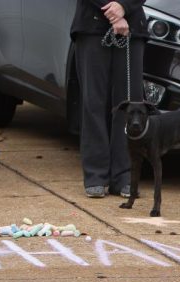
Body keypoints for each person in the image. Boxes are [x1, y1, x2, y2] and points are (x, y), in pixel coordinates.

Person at [71, 1, 146, 198]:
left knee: (130, 105)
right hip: (91, 26)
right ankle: (96, 175)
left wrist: (124, 7)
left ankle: (125, 176)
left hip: (132, 28)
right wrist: (113, 12)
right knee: (93, 103)